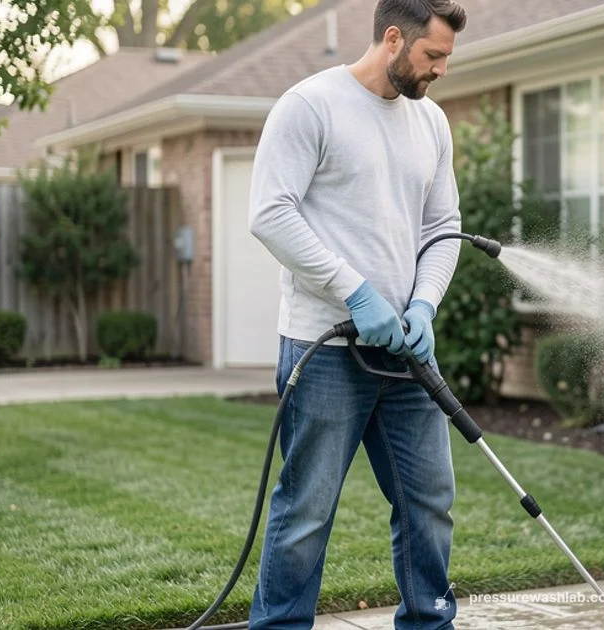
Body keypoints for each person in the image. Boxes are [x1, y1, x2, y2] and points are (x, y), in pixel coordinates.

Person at [245, 1, 467, 628]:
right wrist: (356, 293)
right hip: (326, 352)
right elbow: (270, 213)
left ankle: (429, 623)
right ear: (393, 38)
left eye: (447, 58)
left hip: (406, 356)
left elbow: (444, 225)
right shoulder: (310, 106)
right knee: (306, 513)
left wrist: (424, 303)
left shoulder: (431, 123)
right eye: (433, 56)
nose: (441, 71)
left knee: (428, 503)